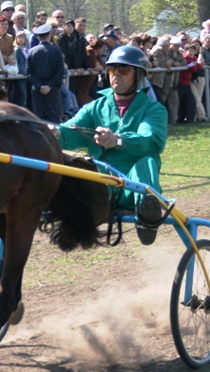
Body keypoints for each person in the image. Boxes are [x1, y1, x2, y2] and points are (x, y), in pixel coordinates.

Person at [52, 45, 167, 245]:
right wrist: (55, 134)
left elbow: (152, 141)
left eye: (123, 70)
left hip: (132, 186)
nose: (116, 75)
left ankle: (148, 214)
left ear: (138, 75)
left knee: (147, 161)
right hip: (100, 187)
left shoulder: (153, 109)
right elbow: (70, 130)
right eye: (113, 70)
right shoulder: (95, 107)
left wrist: (118, 140)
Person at [26, 22, 64, 122]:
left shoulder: (31, 51)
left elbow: (29, 73)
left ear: (38, 38)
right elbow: (60, 71)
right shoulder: (57, 50)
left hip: (37, 88)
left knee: (38, 117)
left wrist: (40, 86)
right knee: (54, 116)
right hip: (53, 87)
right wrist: (50, 85)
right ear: (49, 35)